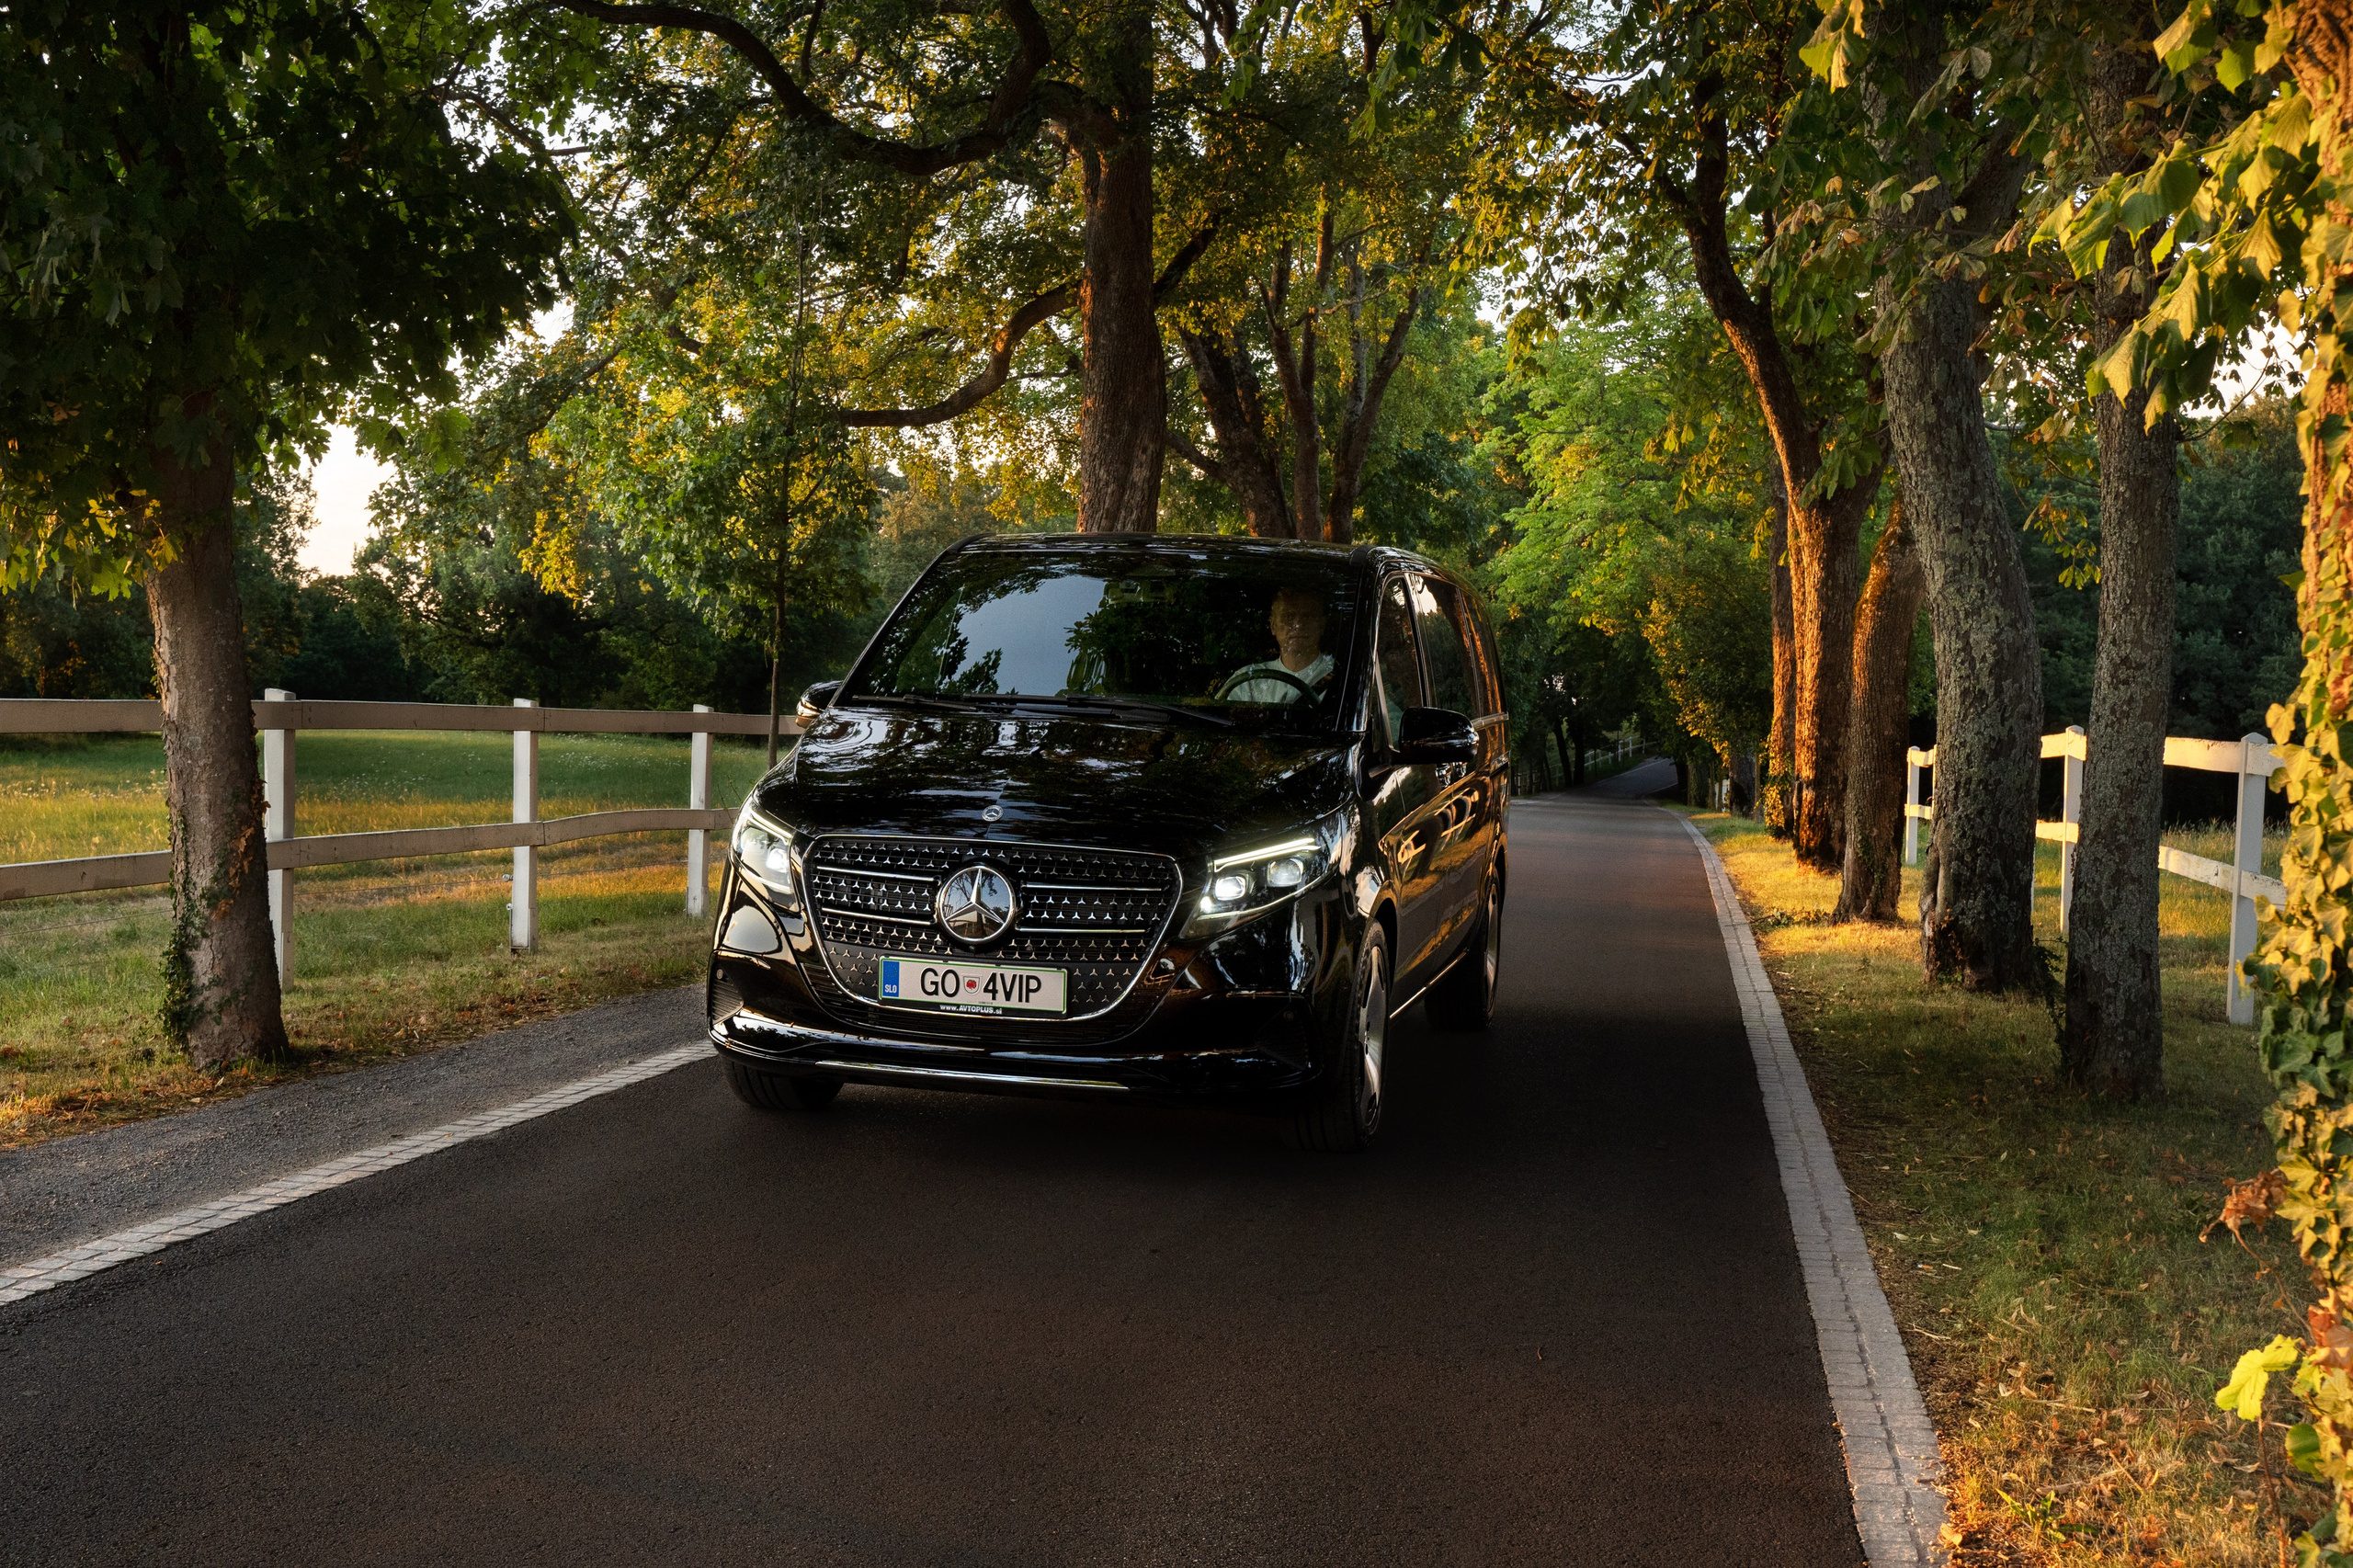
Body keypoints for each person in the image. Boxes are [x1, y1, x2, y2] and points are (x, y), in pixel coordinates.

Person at [1222, 585, 1332, 705]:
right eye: (1288, 617)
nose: (1298, 624)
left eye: (1307, 616)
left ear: (1322, 625)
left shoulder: (1342, 678)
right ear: (1273, 626)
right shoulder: (1247, 681)